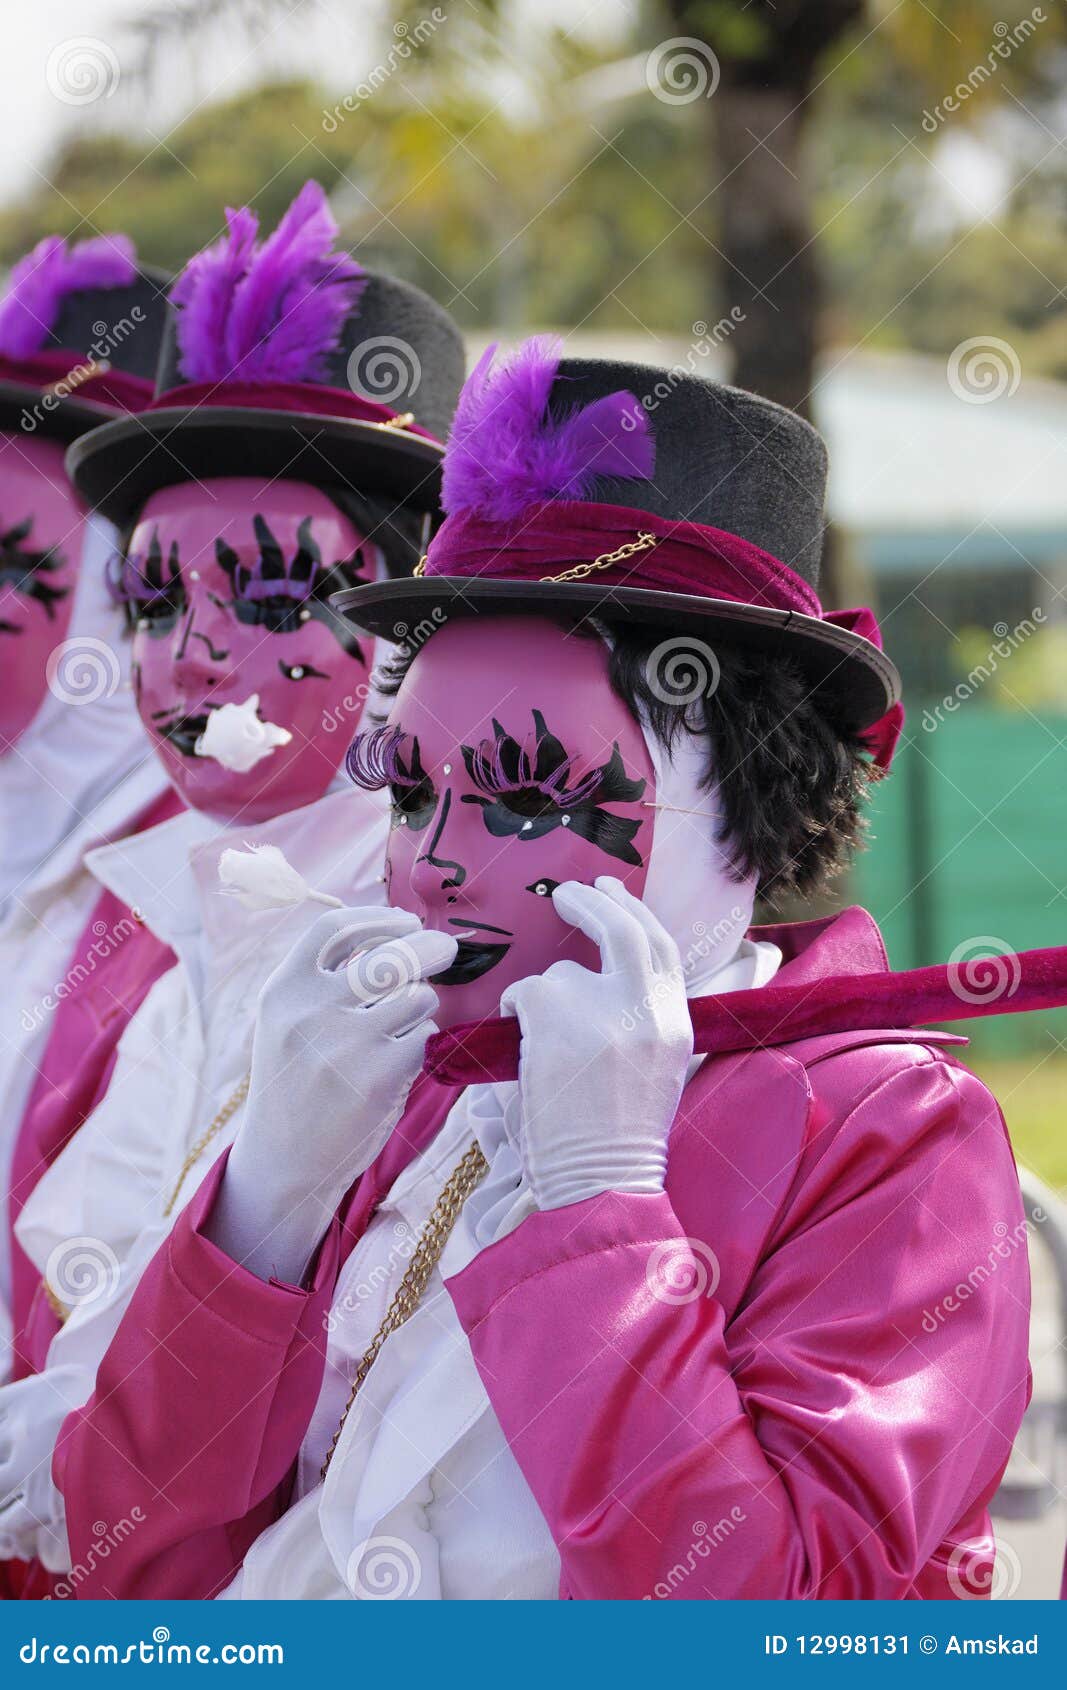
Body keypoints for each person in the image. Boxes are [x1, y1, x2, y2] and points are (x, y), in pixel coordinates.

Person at [55, 340, 1029, 1600]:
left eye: (523, 795)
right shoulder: (401, 1087)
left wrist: (601, 1214)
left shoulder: (889, 1135)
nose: (436, 864)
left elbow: (781, 1630)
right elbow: (115, 1573)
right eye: (408, 790)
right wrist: (261, 1217)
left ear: (738, 795)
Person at [0, 181, 464, 1591]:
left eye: (270, 602)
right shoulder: (178, 905)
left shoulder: (431, 957)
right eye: (149, 602)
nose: (189, 657)